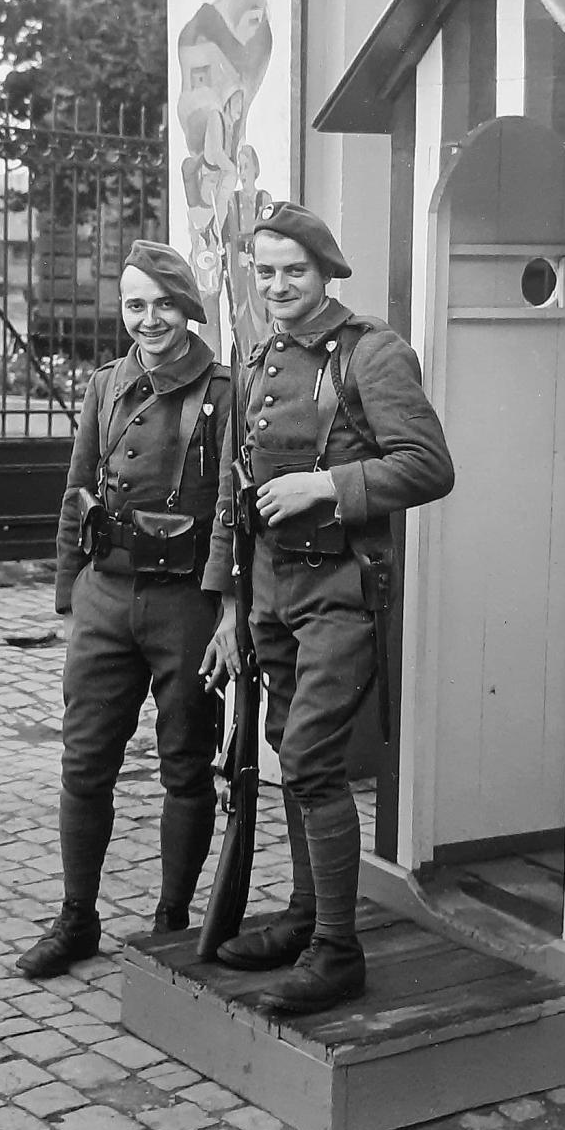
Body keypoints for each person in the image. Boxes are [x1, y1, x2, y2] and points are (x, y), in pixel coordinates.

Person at [200, 201, 454, 1014]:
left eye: (293, 271)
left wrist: (328, 485)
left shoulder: (370, 353)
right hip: (271, 589)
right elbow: (230, 494)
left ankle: (338, 954)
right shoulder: (258, 358)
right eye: (264, 271)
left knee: (310, 755)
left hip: (342, 589)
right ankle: (308, 915)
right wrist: (230, 602)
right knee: (282, 746)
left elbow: (428, 466)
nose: (276, 286)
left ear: (325, 273)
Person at [16, 240, 229, 980]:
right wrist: (72, 599)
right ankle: (77, 918)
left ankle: (171, 923)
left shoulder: (224, 391)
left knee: (185, 766)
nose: (148, 320)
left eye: (163, 304)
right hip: (106, 597)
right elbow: (77, 492)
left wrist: (230, 610)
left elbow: (236, 511)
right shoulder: (107, 384)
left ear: (188, 309)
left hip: (185, 607)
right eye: (134, 305)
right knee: (84, 763)